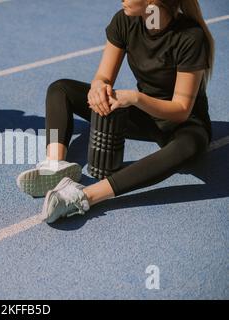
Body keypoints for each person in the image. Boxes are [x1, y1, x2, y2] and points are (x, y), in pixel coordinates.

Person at [16, 0, 214, 223]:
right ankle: (54, 163)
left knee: (187, 147)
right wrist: (98, 88)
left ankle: (82, 195)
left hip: (183, 125)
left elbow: (181, 110)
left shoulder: (190, 37)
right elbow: (103, 77)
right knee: (60, 89)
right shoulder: (124, 20)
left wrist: (135, 98)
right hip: (144, 117)